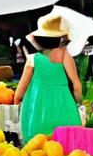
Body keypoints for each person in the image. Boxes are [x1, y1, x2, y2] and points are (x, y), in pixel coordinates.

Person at [14, 13, 82, 143]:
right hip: (66, 115)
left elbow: (19, 94)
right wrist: (77, 103)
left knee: (40, 155)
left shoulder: (32, 60)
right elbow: (77, 86)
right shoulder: (65, 57)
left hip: (39, 117)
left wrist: (18, 100)